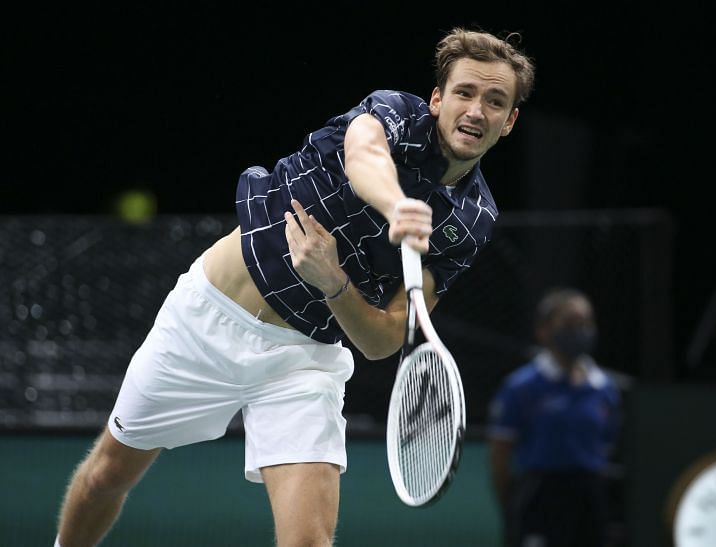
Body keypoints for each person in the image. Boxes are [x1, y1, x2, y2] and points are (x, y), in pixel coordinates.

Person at [54, 27, 535, 547]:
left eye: (494, 101)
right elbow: (364, 156)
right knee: (107, 474)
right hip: (208, 318)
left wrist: (335, 285)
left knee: (308, 541)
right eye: (464, 93)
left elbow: (382, 340)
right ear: (438, 98)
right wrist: (397, 207)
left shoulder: (472, 221)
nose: (475, 110)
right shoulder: (394, 114)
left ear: (508, 121)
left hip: (302, 361)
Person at [487, 288, 620, 547]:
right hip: (539, 498)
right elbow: (500, 458)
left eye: (585, 323)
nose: (579, 331)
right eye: (570, 324)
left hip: (589, 498)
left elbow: (607, 445)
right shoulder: (521, 387)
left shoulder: (605, 388)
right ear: (544, 330)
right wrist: (514, 506)